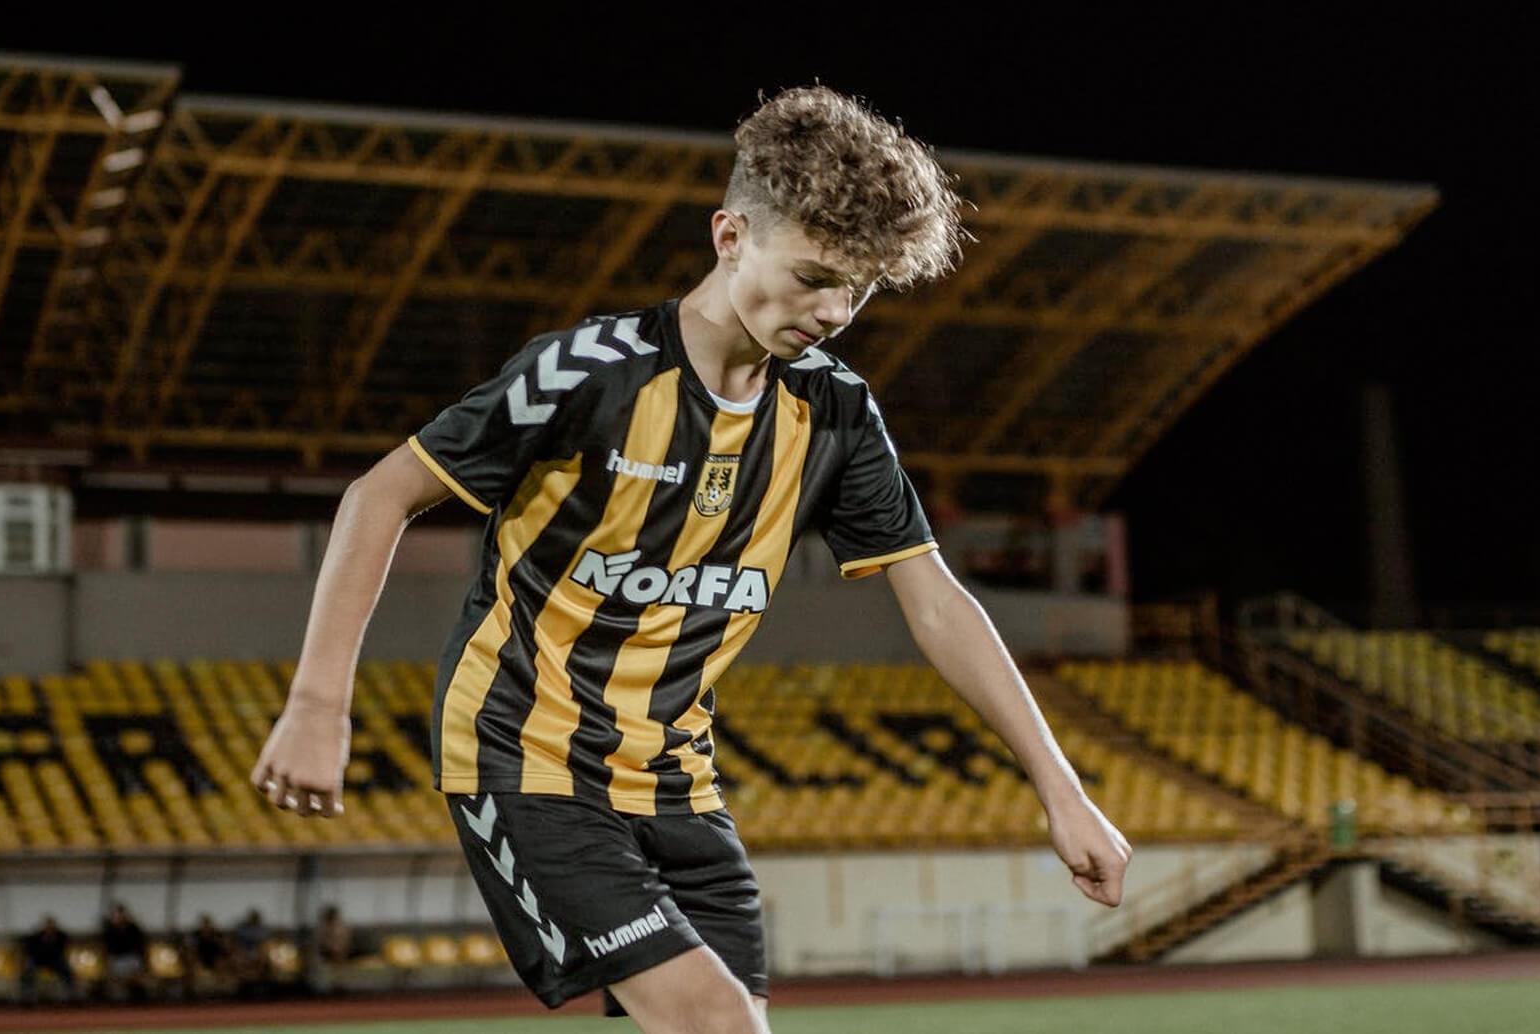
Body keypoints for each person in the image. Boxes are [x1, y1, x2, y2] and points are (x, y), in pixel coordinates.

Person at [251, 84, 1131, 1034]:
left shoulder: (836, 412)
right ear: (730, 236)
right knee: (720, 1024)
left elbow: (937, 603)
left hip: (681, 783)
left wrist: (1062, 790)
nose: (835, 310)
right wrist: (317, 704)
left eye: (859, 288)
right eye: (813, 276)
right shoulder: (587, 374)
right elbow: (377, 495)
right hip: (525, 758)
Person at [20, 915, 73, 1000]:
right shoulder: (36, 936)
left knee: (66, 970)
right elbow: (30, 949)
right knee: (27, 970)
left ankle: (70, 993)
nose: (49, 928)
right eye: (48, 925)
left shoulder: (61, 936)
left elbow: (62, 949)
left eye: (51, 925)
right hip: (39, 960)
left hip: (55, 961)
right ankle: (27, 993)